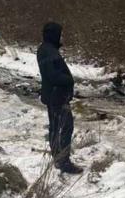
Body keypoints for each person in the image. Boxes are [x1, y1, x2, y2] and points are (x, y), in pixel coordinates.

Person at [37, 22, 83, 174]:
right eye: (60, 34)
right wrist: (69, 80)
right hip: (56, 96)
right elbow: (52, 75)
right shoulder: (47, 51)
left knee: (57, 126)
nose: (62, 36)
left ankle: (59, 157)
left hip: (56, 95)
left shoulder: (48, 50)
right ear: (53, 34)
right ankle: (62, 160)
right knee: (64, 126)